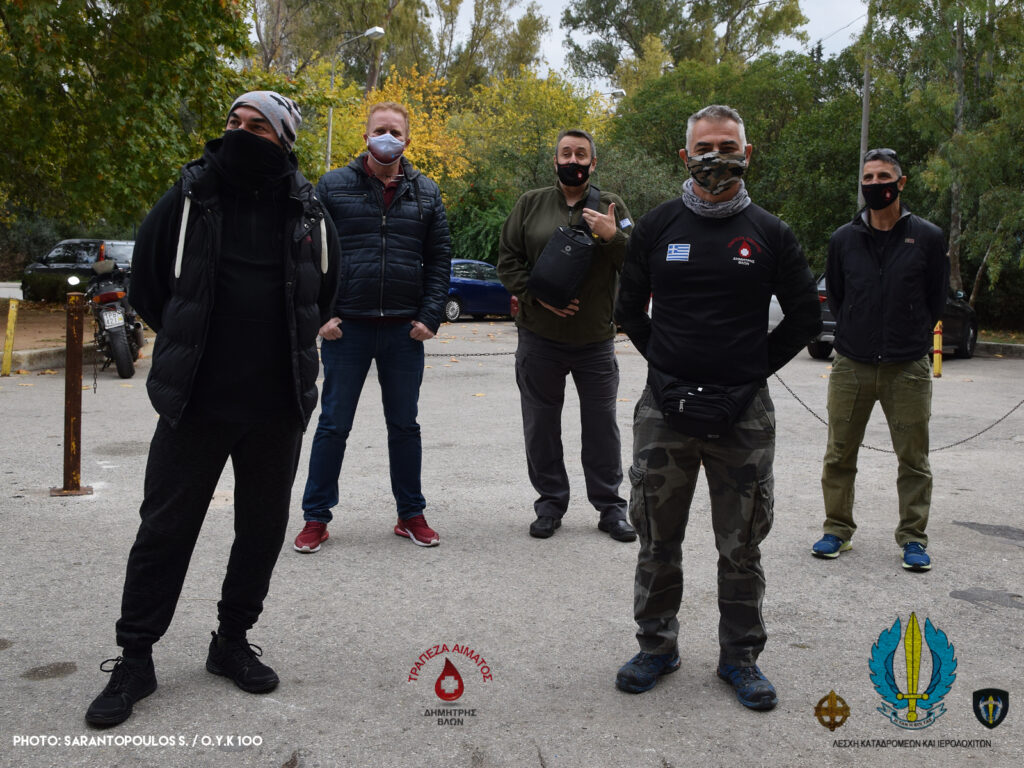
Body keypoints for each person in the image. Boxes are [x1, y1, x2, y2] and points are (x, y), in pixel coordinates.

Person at [85, 91, 342, 727]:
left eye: (258, 126)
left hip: (276, 406)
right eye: (234, 121)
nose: (240, 132)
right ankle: (135, 658)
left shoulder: (309, 211)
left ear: (283, 140)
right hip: (195, 403)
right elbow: (150, 286)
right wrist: (192, 345)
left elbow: (323, 293)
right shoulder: (188, 198)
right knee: (165, 529)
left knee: (261, 530)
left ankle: (231, 642)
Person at [613, 105, 820, 708]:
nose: (715, 157)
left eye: (728, 146)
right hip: (663, 412)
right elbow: (628, 311)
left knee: (742, 545)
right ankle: (656, 647)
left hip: (745, 415)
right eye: (704, 147)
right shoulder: (656, 227)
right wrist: (667, 369)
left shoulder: (771, 233)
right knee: (656, 539)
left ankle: (741, 658)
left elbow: (804, 319)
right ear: (685, 156)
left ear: (746, 154)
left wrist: (748, 373)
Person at [293, 101, 450, 552]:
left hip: (404, 331)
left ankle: (411, 514)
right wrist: (321, 315)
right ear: (365, 137)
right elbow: (308, 253)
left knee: (404, 426)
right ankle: (315, 517)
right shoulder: (332, 186)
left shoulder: (426, 192)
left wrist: (430, 316)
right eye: (380, 130)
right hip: (347, 329)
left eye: (396, 132)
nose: (388, 138)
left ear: (407, 140)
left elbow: (439, 258)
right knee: (333, 425)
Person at [812, 148, 948, 572]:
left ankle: (913, 538)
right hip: (851, 365)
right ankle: (837, 529)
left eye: (883, 177)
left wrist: (910, 334)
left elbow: (936, 298)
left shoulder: (928, 237)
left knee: (914, 460)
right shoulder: (843, 239)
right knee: (838, 454)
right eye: (868, 178)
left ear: (900, 183)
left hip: (907, 367)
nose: (875, 185)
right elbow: (837, 295)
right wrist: (856, 329)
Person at [497, 129, 636, 542]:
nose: (573, 160)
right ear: (555, 160)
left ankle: (610, 509)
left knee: (601, 427)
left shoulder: (612, 204)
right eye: (566, 153)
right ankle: (550, 504)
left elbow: (636, 262)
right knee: (541, 426)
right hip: (539, 338)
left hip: (595, 341)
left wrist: (612, 237)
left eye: (581, 154)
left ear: (593, 163)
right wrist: (539, 297)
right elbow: (507, 261)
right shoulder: (530, 203)